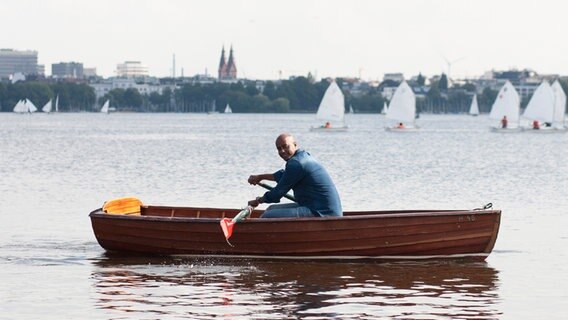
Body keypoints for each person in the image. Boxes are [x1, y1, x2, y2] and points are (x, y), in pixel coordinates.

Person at [247, 133, 342, 218]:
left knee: (267, 216)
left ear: (295, 145)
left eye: (285, 146)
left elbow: (278, 192)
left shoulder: (296, 163)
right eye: (279, 149)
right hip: (318, 206)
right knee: (270, 209)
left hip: (322, 212)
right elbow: (283, 176)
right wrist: (260, 177)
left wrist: (259, 200)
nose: (282, 151)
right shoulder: (303, 157)